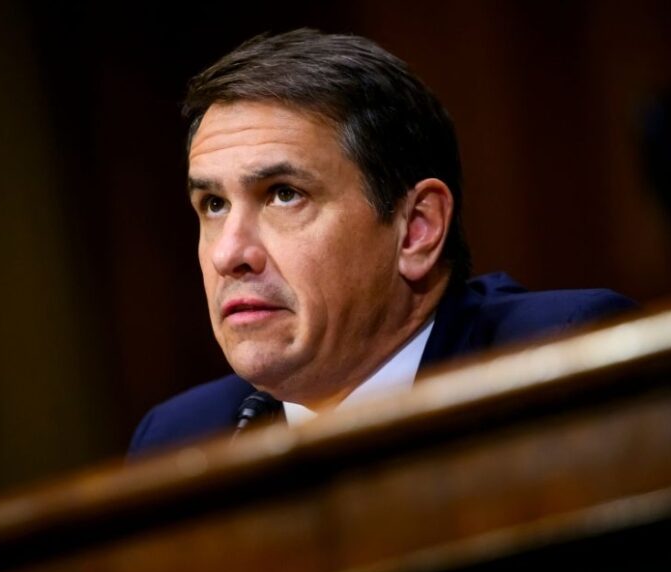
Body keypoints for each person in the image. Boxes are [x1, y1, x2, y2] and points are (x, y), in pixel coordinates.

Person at [128, 29, 635, 456]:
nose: (228, 254)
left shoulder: (558, 361)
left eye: (284, 195)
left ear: (417, 228)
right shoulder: (180, 439)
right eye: (214, 205)